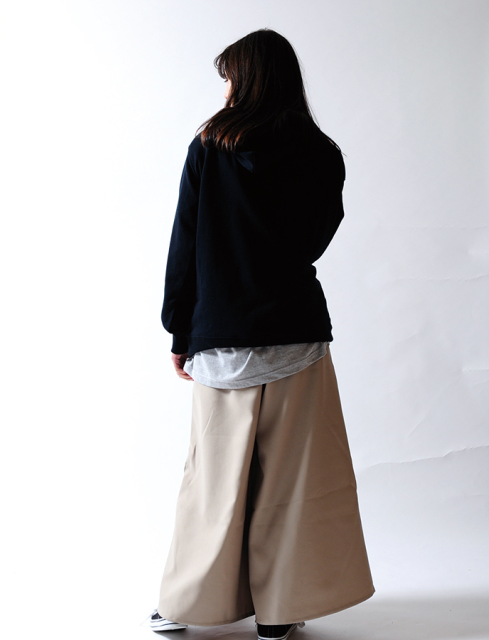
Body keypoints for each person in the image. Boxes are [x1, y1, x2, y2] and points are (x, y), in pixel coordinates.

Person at [146, 28, 375, 640]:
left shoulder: (209, 145)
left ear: (244, 80)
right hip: (296, 333)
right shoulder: (322, 153)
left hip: (221, 333)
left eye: (229, 77)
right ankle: (279, 612)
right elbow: (313, 242)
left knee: (212, 482)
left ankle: (186, 603)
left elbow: (185, 244)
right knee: (292, 482)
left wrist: (178, 329)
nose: (225, 88)